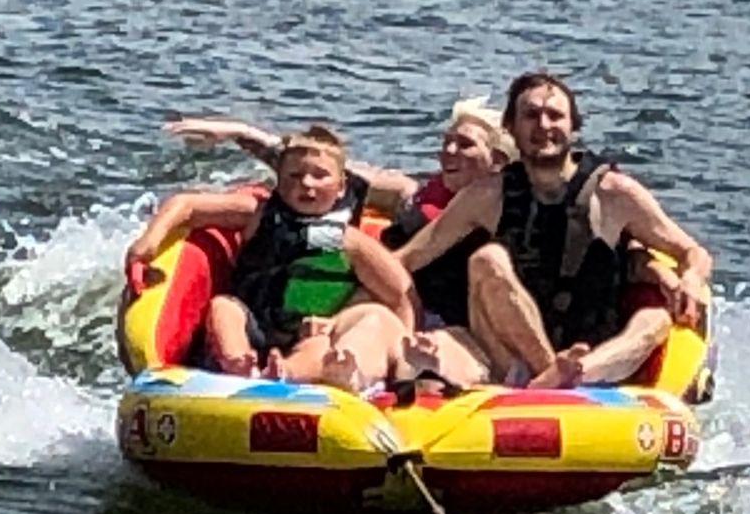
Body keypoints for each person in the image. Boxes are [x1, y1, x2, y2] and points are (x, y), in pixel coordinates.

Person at [394, 71, 714, 388]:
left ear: (573, 127)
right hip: (512, 357)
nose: (543, 126)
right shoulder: (487, 196)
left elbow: (692, 252)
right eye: (531, 115)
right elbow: (410, 257)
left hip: (596, 356)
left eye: (555, 116)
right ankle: (550, 375)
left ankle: (570, 375)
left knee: (655, 319)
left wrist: (691, 278)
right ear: (511, 127)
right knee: (486, 260)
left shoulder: (615, 193)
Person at [166, 101, 515, 386]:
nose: (449, 152)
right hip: (367, 307)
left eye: (465, 144)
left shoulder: (507, 211)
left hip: (434, 320)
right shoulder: (411, 194)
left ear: (498, 160)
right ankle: (269, 371)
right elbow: (320, 169)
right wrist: (242, 133)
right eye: (446, 142)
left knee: (399, 338)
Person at [123, 125, 414, 390]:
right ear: (279, 181)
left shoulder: (351, 242)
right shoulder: (258, 213)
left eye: (320, 175)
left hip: (308, 331)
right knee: (223, 307)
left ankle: (282, 372)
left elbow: (400, 293)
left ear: (341, 187)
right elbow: (187, 206)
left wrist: (401, 362)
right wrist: (148, 242)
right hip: (254, 321)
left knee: (318, 349)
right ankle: (238, 363)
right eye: (295, 176)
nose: (307, 184)